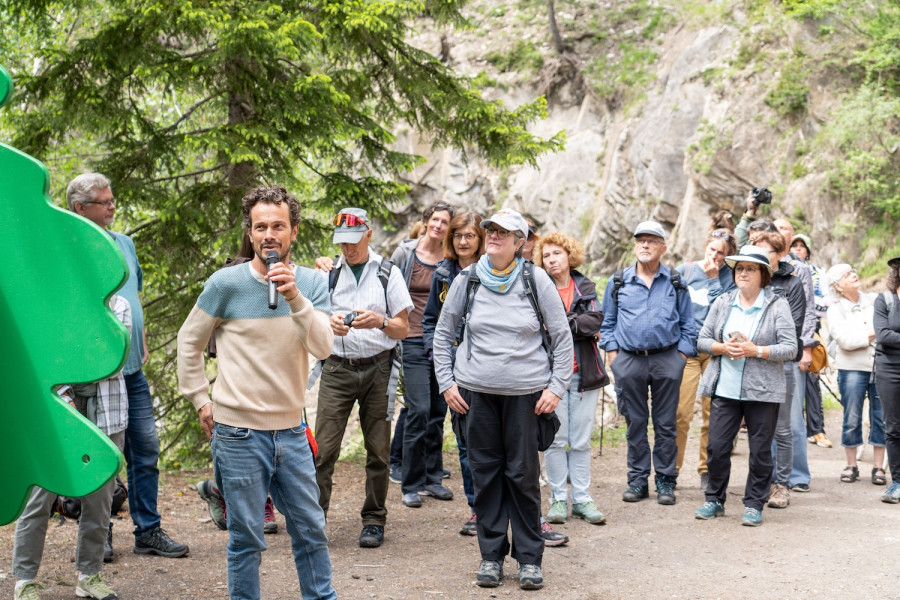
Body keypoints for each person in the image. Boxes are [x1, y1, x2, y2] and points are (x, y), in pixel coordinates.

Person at [177, 185, 337, 600]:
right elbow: (189, 341)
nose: (269, 234)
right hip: (238, 434)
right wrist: (199, 398)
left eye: (278, 226)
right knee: (246, 538)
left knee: (311, 530)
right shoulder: (225, 284)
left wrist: (295, 297)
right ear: (250, 233)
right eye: (260, 226)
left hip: (291, 431)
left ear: (294, 232)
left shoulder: (312, 284)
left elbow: (323, 347)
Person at [433, 208, 573, 590]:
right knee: (486, 476)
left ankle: (529, 559)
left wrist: (556, 387)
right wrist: (447, 383)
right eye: (490, 229)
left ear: (520, 242)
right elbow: (444, 335)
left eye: (504, 231)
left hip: (526, 397)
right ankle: (491, 556)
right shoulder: (468, 279)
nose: (494, 235)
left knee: (523, 477)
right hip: (475, 395)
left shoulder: (536, 279)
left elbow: (562, 338)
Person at [67, 173, 188, 559]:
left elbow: (131, 295)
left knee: (146, 451)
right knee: (101, 456)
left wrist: (143, 340)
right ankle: (98, 534)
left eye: (112, 199)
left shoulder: (125, 244)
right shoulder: (71, 250)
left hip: (133, 372)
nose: (112, 206)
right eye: (104, 201)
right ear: (79, 208)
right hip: (94, 378)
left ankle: (148, 531)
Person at [12, 296, 131, 600]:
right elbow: (45, 357)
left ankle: (89, 576)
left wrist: (71, 349)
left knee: (100, 499)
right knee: (40, 495)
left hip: (107, 412)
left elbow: (111, 359)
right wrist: (65, 396)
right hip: (58, 412)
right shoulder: (57, 298)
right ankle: (24, 581)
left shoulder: (120, 304)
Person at [314, 208, 413, 549]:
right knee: (323, 449)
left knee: (378, 451)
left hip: (379, 368)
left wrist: (380, 322)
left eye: (353, 242)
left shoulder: (388, 273)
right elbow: (312, 318)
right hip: (337, 367)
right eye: (342, 243)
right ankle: (314, 520)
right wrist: (330, 323)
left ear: (369, 234)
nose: (348, 249)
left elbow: (404, 327)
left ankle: (373, 520)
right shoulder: (327, 273)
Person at [693, 245, 797, 527]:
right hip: (724, 387)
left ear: (763, 275)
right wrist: (721, 347)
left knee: (760, 451)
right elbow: (701, 340)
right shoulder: (723, 302)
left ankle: (753, 504)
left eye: (750, 269)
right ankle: (714, 499)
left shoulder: (777, 305)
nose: (743, 273)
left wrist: (757, 351)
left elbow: (790, 348)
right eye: (739, 268)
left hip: (763, 390)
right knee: (716, 447)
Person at [600, 220, 696, 505]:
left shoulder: (676, 282)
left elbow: (689, 324)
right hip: (629, 360)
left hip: (668, 359)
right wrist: (615, 357)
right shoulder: (619, 281)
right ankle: (638, 481)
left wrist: (680, 357)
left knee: (666, 424)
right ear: (634, 245)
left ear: (662, 248)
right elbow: (608, 323)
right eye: (640, 240)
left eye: (652, 241)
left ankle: (666, 482)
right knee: (635, 423)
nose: (645, 245)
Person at [533, 232, 609, 525]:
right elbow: (539, 328)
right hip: (550, 377)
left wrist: (560, 323)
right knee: (555, 439)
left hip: (584, 373)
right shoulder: (539, 288)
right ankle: (558, 500)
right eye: (547, 255)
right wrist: (577, 325)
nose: (552, 260)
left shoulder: (585, 286)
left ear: (569, 255)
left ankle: (582, 498)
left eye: (557, 254)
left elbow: (596, 320)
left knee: (579, 440)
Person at [421, 212, 485, 535]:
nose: (462, 241)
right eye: (458, 235)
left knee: (490, 441)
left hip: (485, 366)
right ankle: (476, 508)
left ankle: (496, 504)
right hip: (453, 368)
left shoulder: (492, 270)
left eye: (469, 236)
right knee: (463, 443)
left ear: (480, 239)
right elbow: (431, 319)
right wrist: (437, 355)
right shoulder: (443, 272)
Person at [391, 201, 456, 508]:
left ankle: (432, 478)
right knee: (419, 409)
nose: (439, 225)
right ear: (426, 221)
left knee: (437, 412)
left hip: (442, 343)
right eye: (435, 219)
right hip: (412, 340)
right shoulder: (405, 254)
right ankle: (410, 482)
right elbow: (388, 287)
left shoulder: (452, 258)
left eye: (445, 222)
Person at [749, 230, 815, 507]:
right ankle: (761, 482)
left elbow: (794, 327)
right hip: (751, 363)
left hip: (783, 363)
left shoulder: (792, 283)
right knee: (758, 428)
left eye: (766, 253)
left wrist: (759, 345)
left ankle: (782, 484)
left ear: (780, 255)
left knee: (784, 428)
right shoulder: (749, 277)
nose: (760, 258)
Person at [674, 229, 737, 493]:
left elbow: (721, 313)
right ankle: (671, 470)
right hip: (687, 351)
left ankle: (706, 470)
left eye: (721, 253)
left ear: (728, 256)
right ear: (705, 248)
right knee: (681, 413)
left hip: (715, 351)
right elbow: (672, 306)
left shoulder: (730, 278)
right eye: (712, 250)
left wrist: (713, 279)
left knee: (713, 416)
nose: (715, 256)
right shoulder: (684, 271)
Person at [826, 264, 885, 485]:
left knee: (881, 418)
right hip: (851, 369)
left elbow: (888, 330)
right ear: (838, 286)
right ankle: (851, 465)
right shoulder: (835, 310)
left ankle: (878, 467)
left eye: (853, 271)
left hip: (881, 366)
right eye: (847, 275)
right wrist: (875, 332)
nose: (854, 275)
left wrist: (866, 334)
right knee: (852, 418)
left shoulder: (875, 300)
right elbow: (845, 342)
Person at [791, 233, 833, 448]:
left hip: (810, 328)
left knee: (812, 379)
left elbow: (827, 304)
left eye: (802, 246)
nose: (798, 249)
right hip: (787, 329)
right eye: (794, 245)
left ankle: (816, 429)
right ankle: (794, 429)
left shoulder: (818, 272)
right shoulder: (784, 268)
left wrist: (807, 303)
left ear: (807, 250)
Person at [874, 256, 900, 504]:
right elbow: (883, 335)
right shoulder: (886, 300)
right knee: (893, 427)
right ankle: (898, 482)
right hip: (890, 369)